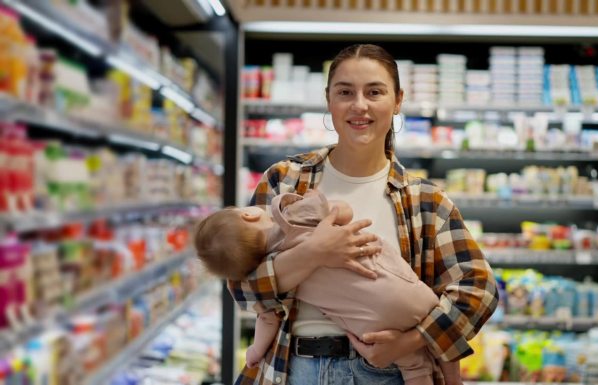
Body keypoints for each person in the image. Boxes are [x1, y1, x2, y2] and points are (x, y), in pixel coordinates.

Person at [229, 43, 499, 385]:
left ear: (397, 100)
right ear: (329, 99)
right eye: (345, 92)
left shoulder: (424, 200)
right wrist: (315, 253)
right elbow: (240, 283)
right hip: (291, 369)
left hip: (388, 373)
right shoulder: (285, 181)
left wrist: (411, 341)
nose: (360, 105)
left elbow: (479, 290)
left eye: (374, 92)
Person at [195, 189, 461, 385]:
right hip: (400, 289)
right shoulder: (290, 215)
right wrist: (319, 227)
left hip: (368, 327)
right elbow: (344, 211)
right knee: (442, 339)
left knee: (414, 365)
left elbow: (264, 313)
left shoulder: (270, 268)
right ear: (250, 214)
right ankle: (454, 380)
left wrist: (254, 350)